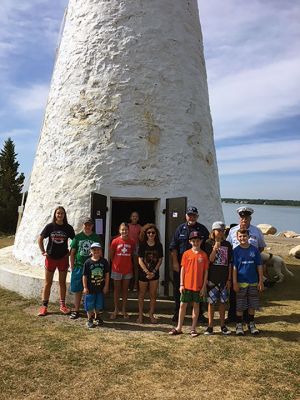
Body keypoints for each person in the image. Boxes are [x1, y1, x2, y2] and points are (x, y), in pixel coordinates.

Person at [169, 206, 209, 322]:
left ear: (197, 216)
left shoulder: (202, 229)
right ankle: (177, 312)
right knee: (179, 288)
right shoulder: (180, 229)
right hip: (183, 265)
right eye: (189, 215)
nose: (192, 217)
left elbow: (207, 247)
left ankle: (199, 313)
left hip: (198, 265)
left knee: (198, 289)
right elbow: (173, 247)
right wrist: (175, 263)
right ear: (186, 216)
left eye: (194, 215)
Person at [226, 206, 266, 322]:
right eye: (242, 218)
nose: (244, 220)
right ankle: (233, 316)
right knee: (235, 293)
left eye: (246, 218)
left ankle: (247, 318)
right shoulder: (233, 231)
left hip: (250, 267)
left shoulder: (256, 231)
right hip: (236, 266)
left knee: (249, 294)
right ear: (239, 218)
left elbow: (261, 247)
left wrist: (252, 256)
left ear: (250, 218)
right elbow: (228, 246)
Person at [169, 231, 208, 337]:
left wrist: (204, 286)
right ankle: (179, 327)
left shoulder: (204, 255)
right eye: (194, 241)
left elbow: (206, 272)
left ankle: (193, 328)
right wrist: (181, 284)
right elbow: (183, 269)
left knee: (196, 306)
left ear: (201, 241)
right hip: (186, 285)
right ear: (190, 242)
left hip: (198, 286)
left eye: (198, 241)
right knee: (182, 305)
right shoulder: (186, 254)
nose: (196, 243)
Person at [37, 206, 75, 316]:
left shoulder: (68, 228)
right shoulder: (50, 226)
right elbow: (40, 239)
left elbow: (75, 241)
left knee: (62, 283)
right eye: (58, 213)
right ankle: (44, 306)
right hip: (50, 258)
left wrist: (70, 252)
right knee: (48, 283)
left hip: (63, 258)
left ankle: (62, 305)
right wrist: (43, 251)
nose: (60, 215)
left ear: (64, 215)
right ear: (55, 214)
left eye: (62, 213)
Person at [233, 229, 264, 335]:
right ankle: (239, 325)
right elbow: (234, 268)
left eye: (244, 236)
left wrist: (261, 281)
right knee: (240, 305)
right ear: (237, 238)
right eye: (240, 236)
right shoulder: (236, 251)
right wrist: (234, 282)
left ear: (248, 236)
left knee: (252, 304)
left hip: (253, 282)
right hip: (241, 282)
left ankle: (251, 323)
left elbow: (259, 265)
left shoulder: (254, 250)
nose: (242, 238)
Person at [69, 217, 101, 319]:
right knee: (78, 289)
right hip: (79, 266)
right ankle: (76, 310)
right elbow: (73, 252)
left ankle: (91, 311)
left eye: (89, 225)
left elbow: (99, 252)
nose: (87, 226)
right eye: (86, 224)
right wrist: (72, 266)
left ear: (92, 226)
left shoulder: (96, 237)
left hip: (92, 267)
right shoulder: (77, 237)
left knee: (91, 289)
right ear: (83, 225)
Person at [204, 221, 232, 335]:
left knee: (223, 303)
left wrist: (229, 279)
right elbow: (210, 260)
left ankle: (222, 325)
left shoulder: (227, 244)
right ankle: (210, 326)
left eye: (222, 230)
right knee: (211, 303)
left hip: (224, 279)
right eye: (218, 230)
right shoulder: (208, 243)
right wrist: (215, 248)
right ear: (213, 231)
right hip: (212, 278)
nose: (220, 232)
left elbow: (229, 263)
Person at [137, 223, 163, 324]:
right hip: (143, 273)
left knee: (153, 295)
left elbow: (160, 260)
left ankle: (151, 314)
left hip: (154, 273)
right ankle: (140, 315)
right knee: (142, 294)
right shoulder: (142, 244)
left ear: (155, 234)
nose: (151, 234)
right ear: (145, 233)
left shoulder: (159, 245)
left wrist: (154, 271)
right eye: (149, 232)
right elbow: (140, 259)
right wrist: (147, 271)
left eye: (153, 232)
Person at [110, 222, 135, 319]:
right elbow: (111, 255)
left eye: (126, 229)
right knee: (116, 290)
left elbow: (132, 254)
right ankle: (116, 309)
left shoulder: (132, 242)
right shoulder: (115, 241)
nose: (124, 231)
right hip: (116, 269)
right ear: (119, 230)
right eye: (122, 229)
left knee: (125, 291)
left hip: (127, 270)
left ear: (128, 230)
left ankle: (124, 310)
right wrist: (116, 263)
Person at [82, 242, 109, 328]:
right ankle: (90, 319)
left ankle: (97, 317)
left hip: (100, 287)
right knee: (89, 304)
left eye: (98, 249)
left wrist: (106, 286)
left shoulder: (104, 261)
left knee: (98, 304)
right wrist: (85, 287)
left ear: (101, 251)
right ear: (91, 251)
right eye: (94, 249)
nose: (96, 251)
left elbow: (107, 274)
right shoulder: (88, 262)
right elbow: (85, 276)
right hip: (90, 288)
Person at [128, 211, 142, 291]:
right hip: (127, 246)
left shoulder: (140, 227)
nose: (134, 218)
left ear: (138, 218)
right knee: (128, 266)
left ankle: (135, 285)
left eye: (136, 216)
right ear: (130, 217)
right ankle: (128, 285)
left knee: (136, 267)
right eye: (133, 216)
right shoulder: (128, 226)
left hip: (136, 247)